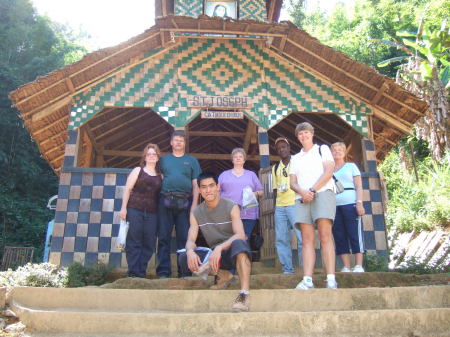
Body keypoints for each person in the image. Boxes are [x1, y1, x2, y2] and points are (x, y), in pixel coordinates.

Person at [178, 172, 252, 312]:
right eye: (204, 187)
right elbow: (191, 240)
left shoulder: (231, 206)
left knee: (240, 245)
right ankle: (224, 276)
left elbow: (241, 235)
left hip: (231, 251)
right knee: (184, 258)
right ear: (199, 190)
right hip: (214, 256)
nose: (208, 190)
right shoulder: (196, 212)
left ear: (218, 187)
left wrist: (219, 248)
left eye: (211, 186)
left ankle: (244, 295)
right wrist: (190, 252)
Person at [289, 122, 337, 290]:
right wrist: (303, 192)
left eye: (306, 132)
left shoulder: (322, 149)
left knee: (325, 236)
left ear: (312, 133)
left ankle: (331, 279)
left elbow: (329, 170)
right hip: (302, 198)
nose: (304, 136)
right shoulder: (295, 158)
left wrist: (312, 190)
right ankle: (307, 279)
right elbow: (292, 182)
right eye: (300, 133)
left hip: (322, 193)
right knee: (307, 239)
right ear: (297, 137)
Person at [156, 130, 201, 278]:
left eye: (181, 140)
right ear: (171, 142)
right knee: (163, 236)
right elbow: (159, 179)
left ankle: (184, 272)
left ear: (184, 143)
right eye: (176, 140)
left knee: (184, 237)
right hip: (165, 199)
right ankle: (163, 272)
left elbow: (196, 185)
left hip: (185, 202)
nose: (178, 142)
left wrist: (194, 205)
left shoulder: (192, 160)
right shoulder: (163, 160)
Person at [119, 143, 162, 278]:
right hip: (134, 210)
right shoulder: (138, 170)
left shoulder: (161, 176)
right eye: (149, 154)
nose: (151, 156)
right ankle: (133, 272)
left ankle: (141, 271)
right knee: (134, 240)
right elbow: (127, 189)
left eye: (154, 154)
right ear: (145, 157)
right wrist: (123, 208)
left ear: (158, 157)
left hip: (152, 213)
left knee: (149, 242)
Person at [331, 142, 366, 272]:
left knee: (354, 233)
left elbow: (359, 186)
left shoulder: (351, 166)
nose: (337, 152)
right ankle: (346, 266)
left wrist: (359, 203)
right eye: (334, 150)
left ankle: (358, 265)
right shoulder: (328, 169)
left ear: (344, 152)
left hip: (351, 204)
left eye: (340, 150)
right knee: (339, 235)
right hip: (334, 206)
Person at [218, 148, 263, 242]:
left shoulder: (251, 175)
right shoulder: (224, 175)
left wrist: (254, 193)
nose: (238, 158)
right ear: (232, 159)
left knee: (244, 239)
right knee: (229, 241)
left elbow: (261, 191)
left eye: (240, 156)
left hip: (248, 214)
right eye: (235, 157)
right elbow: (217, 193)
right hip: (228, 214)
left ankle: (244, 257)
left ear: (244, 159)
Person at [272, 137, 303, 274]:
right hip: (280, 207)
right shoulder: (275, 167)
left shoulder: (297, 163)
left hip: (295, 203)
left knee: (302, 237)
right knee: (281, 239)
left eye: (283, 147)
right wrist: (275, 207)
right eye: (279, 148)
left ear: (289, 148)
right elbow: (275, 189)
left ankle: (305, 268)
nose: (281, 150)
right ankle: (288, 269)